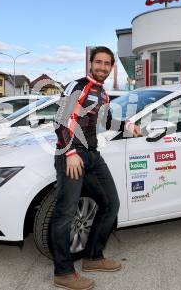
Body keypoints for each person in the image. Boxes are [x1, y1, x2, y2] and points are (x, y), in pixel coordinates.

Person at [50, 46, 141, 290]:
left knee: (111, 204)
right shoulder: (77, 85)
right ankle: (63, 272)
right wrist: (69, 152)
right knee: (65, 213)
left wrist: (128, 126)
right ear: (90, 63)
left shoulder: (102, 92)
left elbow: (105, 121)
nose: (102, 67)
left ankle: (93, 257)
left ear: (111, 68)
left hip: (92, 156)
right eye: (98, 62)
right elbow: (60, 121)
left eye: (107, 64)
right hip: (72, 155)